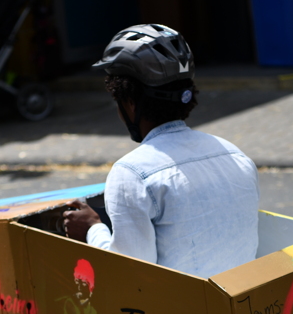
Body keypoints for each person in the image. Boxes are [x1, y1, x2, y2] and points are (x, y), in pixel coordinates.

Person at [63, 24, 260, 278]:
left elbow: (132, 273)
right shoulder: (235, 155)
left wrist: (91, 229)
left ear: (129, 103)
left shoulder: (132, 173)